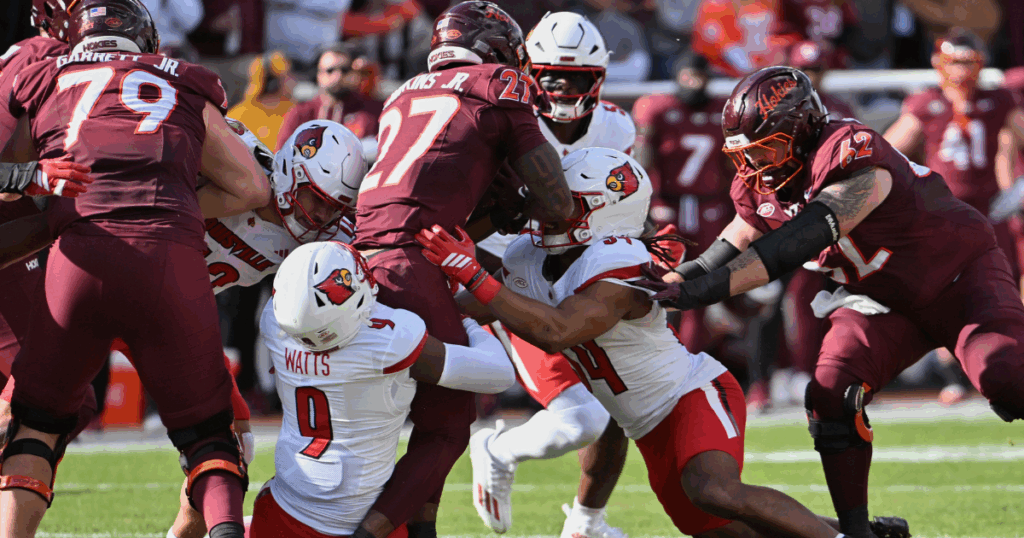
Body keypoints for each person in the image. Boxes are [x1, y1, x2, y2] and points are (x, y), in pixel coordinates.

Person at [416, 146, 909, 538]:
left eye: (565, 201)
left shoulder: (618, 261)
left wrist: (472, 272)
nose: (549, 210)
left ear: (603, 212)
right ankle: (866, 532)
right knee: (723, 528)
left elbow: (557, 329)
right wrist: (438, 258)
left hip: (689, 395)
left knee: (712, 490)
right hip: (645, 422)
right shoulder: (530, 254)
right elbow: (485, 303)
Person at [638, 65, 1024, 538]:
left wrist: (697, 292)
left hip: (959, 280)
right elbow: (735, 238)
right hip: (880, 299)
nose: (755, 167)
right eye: (745, 155)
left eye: (768, 150)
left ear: (800, 132)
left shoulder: (849, 150)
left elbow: (798, 241)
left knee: (1006, 376)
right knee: (829, 394)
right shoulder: (761, 179)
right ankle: (858, 534)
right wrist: (674, 279)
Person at [0, 0, 271, 536]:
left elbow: (17, 177)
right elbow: (252, 187)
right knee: (211, 435)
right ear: (147, 41)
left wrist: (42, 188)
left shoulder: (46, 75)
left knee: (37, 424)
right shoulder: (183, 79)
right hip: (165, 258)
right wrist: (173, 202)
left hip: (73, 261)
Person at [351, 3, 577, 537]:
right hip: (409, 263)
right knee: (450, 425)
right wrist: (523, 196)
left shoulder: (403, 93)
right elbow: (559, 203)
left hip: (367, 257)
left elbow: (434, 216)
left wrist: (500, 211)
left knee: (416, 419)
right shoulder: (498, 84)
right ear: (499, 48)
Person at [469, 12, 633, 538]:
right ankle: (495, 447)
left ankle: (587, 522)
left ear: (598, 79)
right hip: (511, 268)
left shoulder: (615, 126)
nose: (562, 87)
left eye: (576, 77)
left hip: (580, 266)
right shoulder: (505, 119)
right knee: (580, 419)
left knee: (621, 400)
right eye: (551, 76)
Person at [249, 240, 515, 538]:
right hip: (364, 515)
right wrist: (460, 320)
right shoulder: (387, 339)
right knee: (446, 434)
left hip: (282, 509)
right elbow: (500, 373)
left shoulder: (273, 321)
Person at [883, 28, 1024, 405]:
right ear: (938, 64)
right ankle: (954, 375)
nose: (961, 71)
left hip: (991, 211)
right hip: (944, 214)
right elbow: (885, 153)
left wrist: (1014, 188)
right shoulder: (925, 103)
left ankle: (1001, 367)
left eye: (968, 62)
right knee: (946, 292)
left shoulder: (1000, 101)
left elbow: (1011, 145)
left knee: (1003, 289)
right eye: (955, 62)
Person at [276, 44, 384, 160]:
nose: (338, 76)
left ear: (354, 74)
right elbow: (281, 156)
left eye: (345, 70)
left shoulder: (372, 112)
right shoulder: (301, 113)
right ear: (319, 75)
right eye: (330, 70)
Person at [226, 51, 296, 150]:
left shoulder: (296, 112)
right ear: (272, 83)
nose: (292, 79)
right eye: (287, 75)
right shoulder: (237, 117)